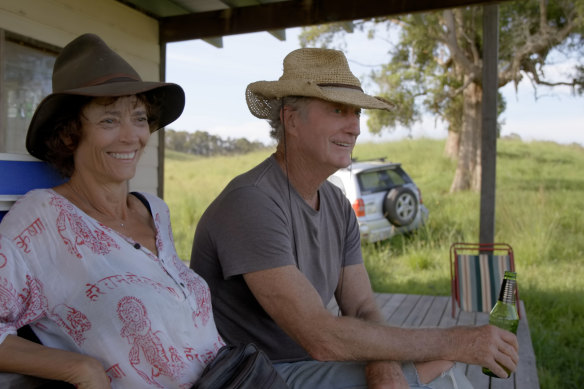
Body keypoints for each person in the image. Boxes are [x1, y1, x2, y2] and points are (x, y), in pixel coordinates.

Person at [190, 48, 519, 389]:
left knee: (440, 370)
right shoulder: (251, 202)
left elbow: (361, 308)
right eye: (337, 110)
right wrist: (457, 341)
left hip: (311, 362)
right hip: (257, 374)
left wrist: (382, 362)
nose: (354, 127)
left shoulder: (336, 203)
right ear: (290, 120)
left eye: (357, 112)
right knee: (443, 373)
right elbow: (319, 335)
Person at [0, 33, 225, 389]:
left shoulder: (155, 211)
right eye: (108, 120)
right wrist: (79, 369)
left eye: (139, 117)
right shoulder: (41, 220)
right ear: (69, 134)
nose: (131, 135)